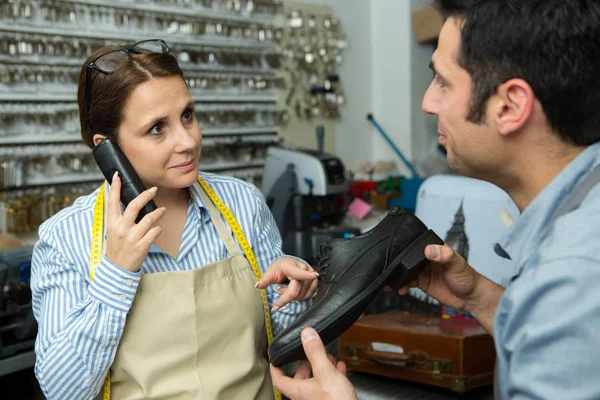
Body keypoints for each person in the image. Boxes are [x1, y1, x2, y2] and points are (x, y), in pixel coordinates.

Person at [270, 0, 600, 398]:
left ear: (510, 106)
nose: (428, 102)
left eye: (443, 81)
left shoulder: (572, 277)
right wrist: (481, 297)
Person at [30, 39, 319, 400]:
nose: (188, 140)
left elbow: (286, 342)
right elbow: (62, 391)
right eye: (157, 128)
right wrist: (116, 273)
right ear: (108, 148)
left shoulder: (242, 203)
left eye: (187, 115)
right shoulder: (66, 238)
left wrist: (294, 291)